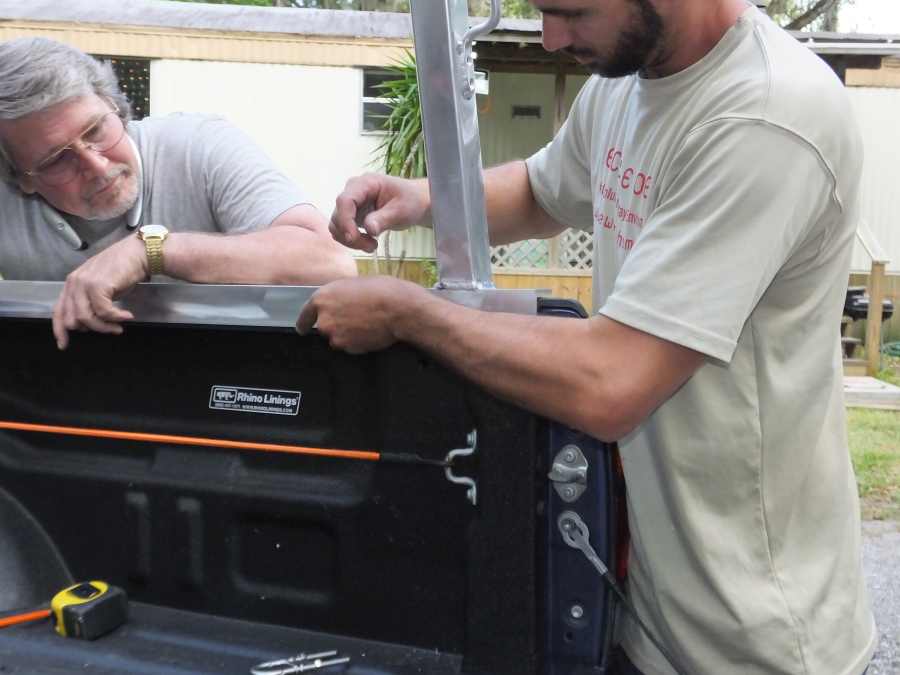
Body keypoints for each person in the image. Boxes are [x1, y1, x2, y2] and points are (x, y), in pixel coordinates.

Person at [298, 1, 876, 673]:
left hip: (753, 639)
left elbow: (611, 381)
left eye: (571, 11)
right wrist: (424, 198)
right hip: (646, 611)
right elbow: (544, 193)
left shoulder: (766, 118)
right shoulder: (624, 83)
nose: (550, 37)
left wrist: (409, 315)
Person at [0, 37, 357, 350]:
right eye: (57, 160)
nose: (95, 165)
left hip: (234, 373)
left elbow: (331, 263)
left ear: (115, 107)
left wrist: (152, 250)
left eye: (95, 130)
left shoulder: (200, 146)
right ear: (20, 179)